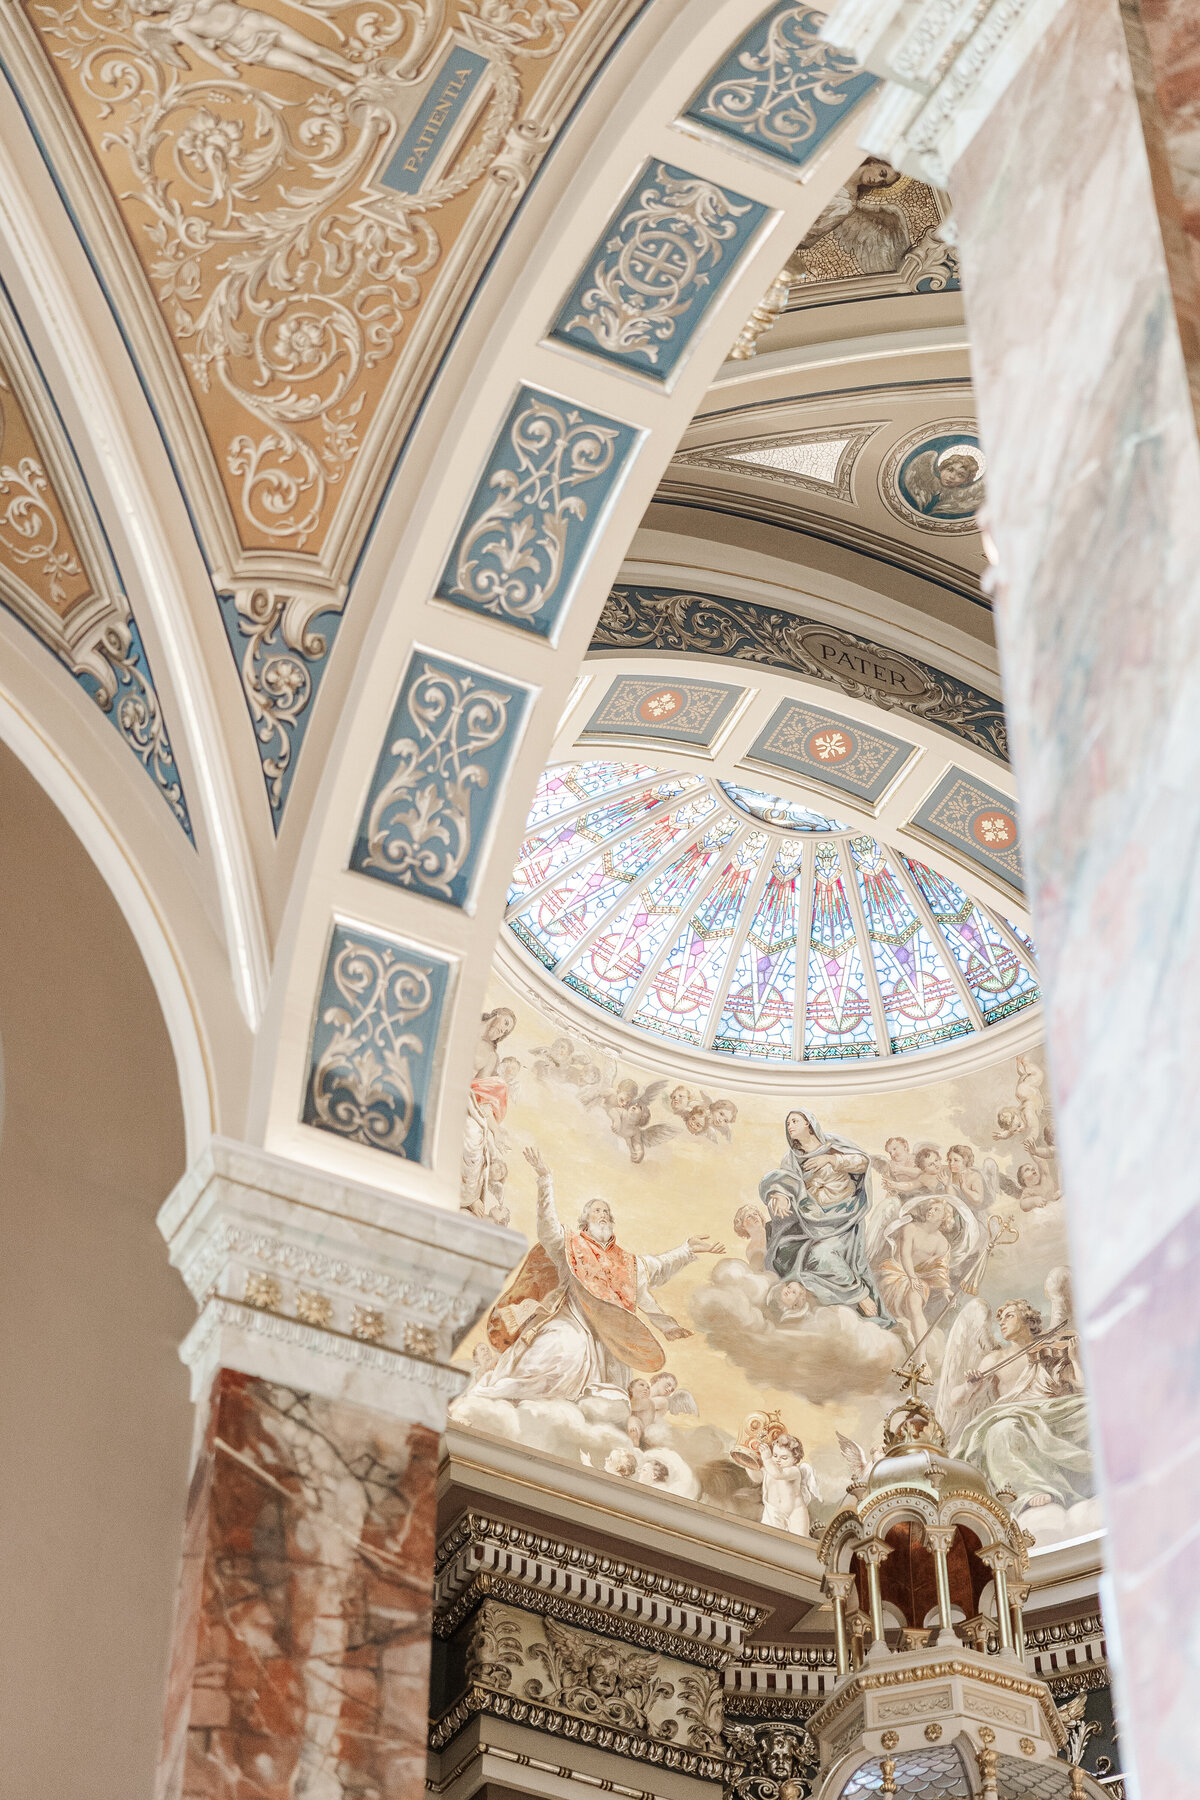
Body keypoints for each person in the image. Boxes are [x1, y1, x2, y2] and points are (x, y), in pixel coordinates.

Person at [463, 1146, 724, 1408]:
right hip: (571, 1320)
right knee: (561, 1351)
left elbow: (656, 1267)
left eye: (607, 1213)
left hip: (607, 1336)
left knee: (611, 1392)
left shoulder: (625, 1261)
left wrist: (687, 1249)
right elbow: (547, 1225)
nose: (604, 1215)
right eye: (597, 1211)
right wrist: (545, 1179)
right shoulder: (570, 1244)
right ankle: (497, 1394)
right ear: (585, 1220)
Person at [761, 1109, 891, 1322]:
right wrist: (779, 1194)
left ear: (809, 1124)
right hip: (813, 1220)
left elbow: (863, 1162)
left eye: (794, 1121)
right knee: (783, 1254)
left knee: (821, 1255)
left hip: (845, 1220)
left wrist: (832, 1161)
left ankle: (860, 1296)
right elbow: (785, 1180)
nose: (789, 1126)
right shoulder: (792, 1158)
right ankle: (818, 1304)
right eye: (788, 1123)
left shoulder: (833, 1145)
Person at [875, 1197, 954, 1348]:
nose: (930, 1211)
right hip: (894, 1273)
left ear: (944, 1217)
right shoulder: (911, 1228)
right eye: (930, 1208)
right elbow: (905, 1255)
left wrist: (946, 1289)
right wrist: (911, 1277)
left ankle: (920, 1358)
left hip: (915, 1280)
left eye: (936, 1209)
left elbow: (940, 1268)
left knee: (915, 1302)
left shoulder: (942, 1243)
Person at [754, 1433, 822, 1536]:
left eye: (784, 1458)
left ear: (795, 1460)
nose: (777, 1460)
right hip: (773, 1513)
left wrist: (767, 1459)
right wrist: (747, 1462)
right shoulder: (769, 1468)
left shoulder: (793, 1471)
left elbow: (778, 1474)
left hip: (795, 1513)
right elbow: (756, 1477)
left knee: (798, 1542)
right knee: (769, 1540)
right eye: (775, 1455)